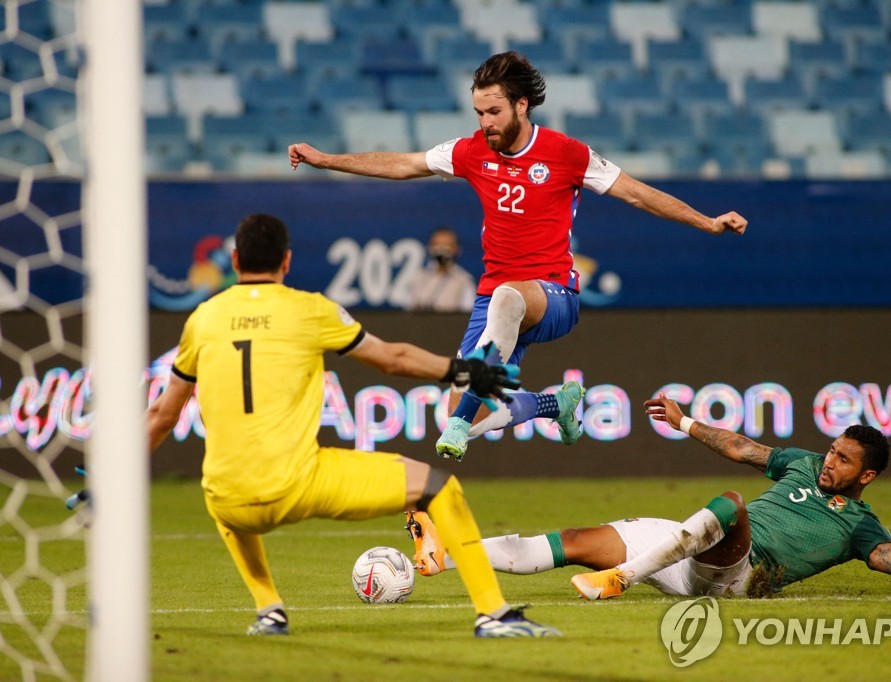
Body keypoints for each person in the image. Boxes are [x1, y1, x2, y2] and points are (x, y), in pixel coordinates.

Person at [289, 52, 748, 463]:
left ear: (521, 106)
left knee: (509, 300)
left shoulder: (566, 153)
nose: (485, 121)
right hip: (494, 300)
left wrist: (706, 221)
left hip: (554, 296)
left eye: (494, 111)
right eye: (479, 112)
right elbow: (403, 164)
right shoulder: (470, 151)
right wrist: (326, 160)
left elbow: (636, 194)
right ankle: (555, 405)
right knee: (456, 408)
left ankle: (466, 418)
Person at [145, 213, 562, 638]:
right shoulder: (310, 309)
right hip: (299, 482)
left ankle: (269, 609)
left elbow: (162, 414)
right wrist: (463, 372)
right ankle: (493, 614)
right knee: (439, 488)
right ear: (286, 262)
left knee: (225, 494)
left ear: (234, 260)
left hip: (228, 498)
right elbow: (391, 359)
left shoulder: (202, 319)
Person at [404, 394, 891, 601]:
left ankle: (621, 579)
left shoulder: (860, 526)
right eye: (831, 452)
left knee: (730, 504)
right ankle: (446, 555)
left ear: (867, 476)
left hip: (739, 575)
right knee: (572, 542)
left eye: (843, 461)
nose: (829, 462)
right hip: (689, 547)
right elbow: (744, 447)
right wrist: (686, 422)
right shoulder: (802, 464)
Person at [404, 226, 476, 313]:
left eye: (447, 245)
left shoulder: (464, 281)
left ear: (457, 249)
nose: (441, 250)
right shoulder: (418, 277)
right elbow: (408, 310)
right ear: (429, 247)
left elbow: (467, 314)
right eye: (437, 245)